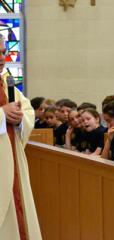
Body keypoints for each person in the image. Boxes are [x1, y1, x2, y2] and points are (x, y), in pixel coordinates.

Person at [0, 35, 41, 239]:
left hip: (11, 162)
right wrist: (1, 114)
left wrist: (18, 118)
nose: (2, 58)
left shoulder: (7, 86)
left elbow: (27, 110)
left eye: (3, 52)